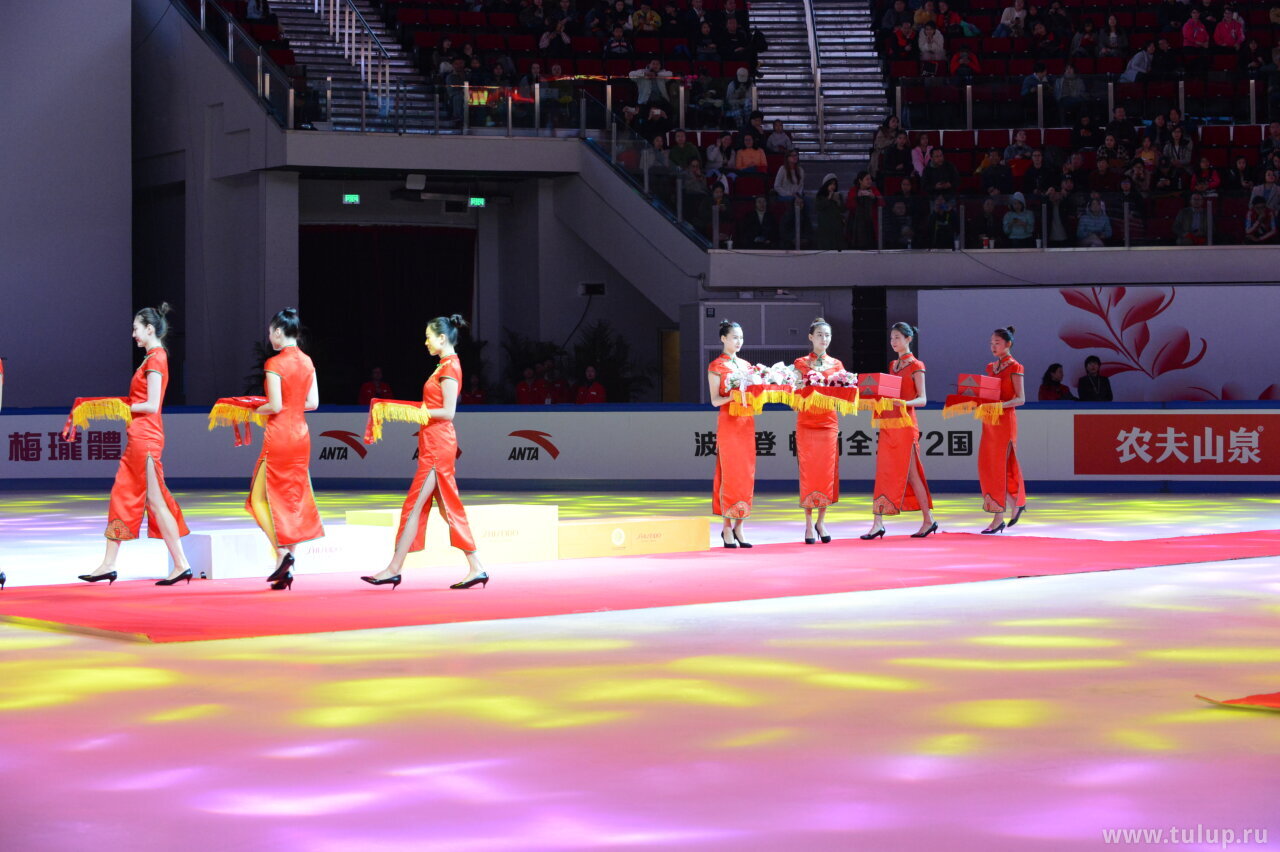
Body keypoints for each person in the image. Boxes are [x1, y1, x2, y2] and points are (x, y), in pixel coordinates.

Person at [362, 315, 487, 590]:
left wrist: (409, 412)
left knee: (415, 505)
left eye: (429, 336)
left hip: (437, 446)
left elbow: (448, 412)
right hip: (433, 442)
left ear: (442, 338)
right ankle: (476, 567)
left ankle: (393, 569)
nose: (426, 341)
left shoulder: (450, 367)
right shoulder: (443, 365)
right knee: (447, 508)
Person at [77, 303, 194, 587]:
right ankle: (109, 563)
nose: (133, 334)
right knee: (124, 495)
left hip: (146, 438)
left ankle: (181, 563)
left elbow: (153, 404)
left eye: (136, 328)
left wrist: (120, 407)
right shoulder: (151, 358)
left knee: (154, 500)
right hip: (140, 435)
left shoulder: (156, 358)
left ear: (149, 329)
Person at [247, 308, 323, 591]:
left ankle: (284, 554)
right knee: (290, 500)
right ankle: (286, 568)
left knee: (257, 500)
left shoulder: (274, 363)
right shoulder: (307, 361)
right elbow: (313, 403)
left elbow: (275, 406)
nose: (269, 336)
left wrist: (253, 409)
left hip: (279, 436)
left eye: (270, 332)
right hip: (301, 435)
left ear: (279, 331)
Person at [863, 322, 937, 540]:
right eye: (891, 338)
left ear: (908, 339)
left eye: (897, 338)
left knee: (914, 476)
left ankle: (928, 519)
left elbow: (922, 399)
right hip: (889, 424)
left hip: (905, 425)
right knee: (884, 471)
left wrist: (901, 403)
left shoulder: (916, 365)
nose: (893, 342)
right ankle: (878, 522)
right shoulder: (893, 365)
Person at [792, 319, 845, 544]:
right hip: (806, 422)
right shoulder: (800, 363)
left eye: (827, 335)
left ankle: (821, 521)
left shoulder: (837, 364)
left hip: (828, 423)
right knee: (808, 471)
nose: (824, 339)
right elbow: (793, 394)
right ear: (811, 337)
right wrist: (806, 391)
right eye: (820, 335)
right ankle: (807, 524)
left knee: (826, 472)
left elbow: (844, 393)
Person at [707, 320, 756, 547]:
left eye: (741, 338)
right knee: (729, 473)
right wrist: (732, 397)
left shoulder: (747, 366)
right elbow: (715, 400)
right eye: (735, 337)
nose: (739, 341)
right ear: (723, 338)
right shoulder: (716, 365)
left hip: (746, 423)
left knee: (746, 473)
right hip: (728, 423)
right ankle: (726, 528)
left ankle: (740, 526)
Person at [978, 326, 1027, 533]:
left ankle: (998, 517)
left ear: (1008, 344)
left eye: (997, 343)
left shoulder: (1015, 367)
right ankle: (1015, 502)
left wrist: (999, 406)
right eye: (991, 343)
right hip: (990, 421)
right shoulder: (991, 368)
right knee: (989, 466)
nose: (993, 347)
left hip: (1005, 422)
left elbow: (1021, 399)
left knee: (999, 468)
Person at [846, 170, 883, 249]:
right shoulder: (853, 190)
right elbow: (849, 206)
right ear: (860, 181)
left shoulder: (874, 190)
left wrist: (874, 197)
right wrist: (858, 197)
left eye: (870, 179)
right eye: (867, 179)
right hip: (857, 226)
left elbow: (882, 203)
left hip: (871, 225)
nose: (870, 181)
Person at [814, 174, 846, 250]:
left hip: (836, 227)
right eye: (830, 184)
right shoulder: (820, 196)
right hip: (825, 226)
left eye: (834, 184)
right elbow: (818, 207)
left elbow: (843, 209)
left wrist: (838, 202)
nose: (833, 186)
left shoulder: (838, 195)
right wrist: (828, 198)